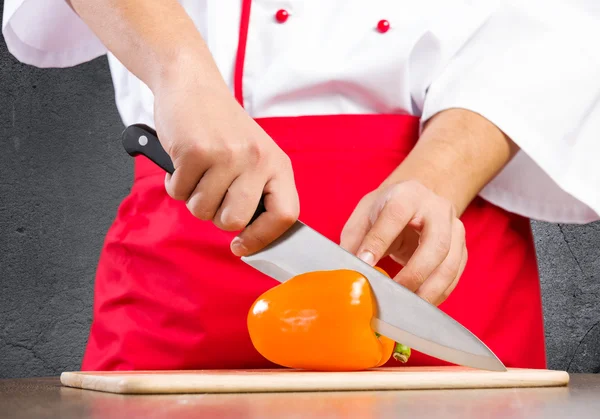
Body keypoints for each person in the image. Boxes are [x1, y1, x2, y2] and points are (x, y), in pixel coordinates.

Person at [3, 0, 599, 371]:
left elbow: (556, 23)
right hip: (190, 237)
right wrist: (183, 74)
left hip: (429, 250)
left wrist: (439, 176)